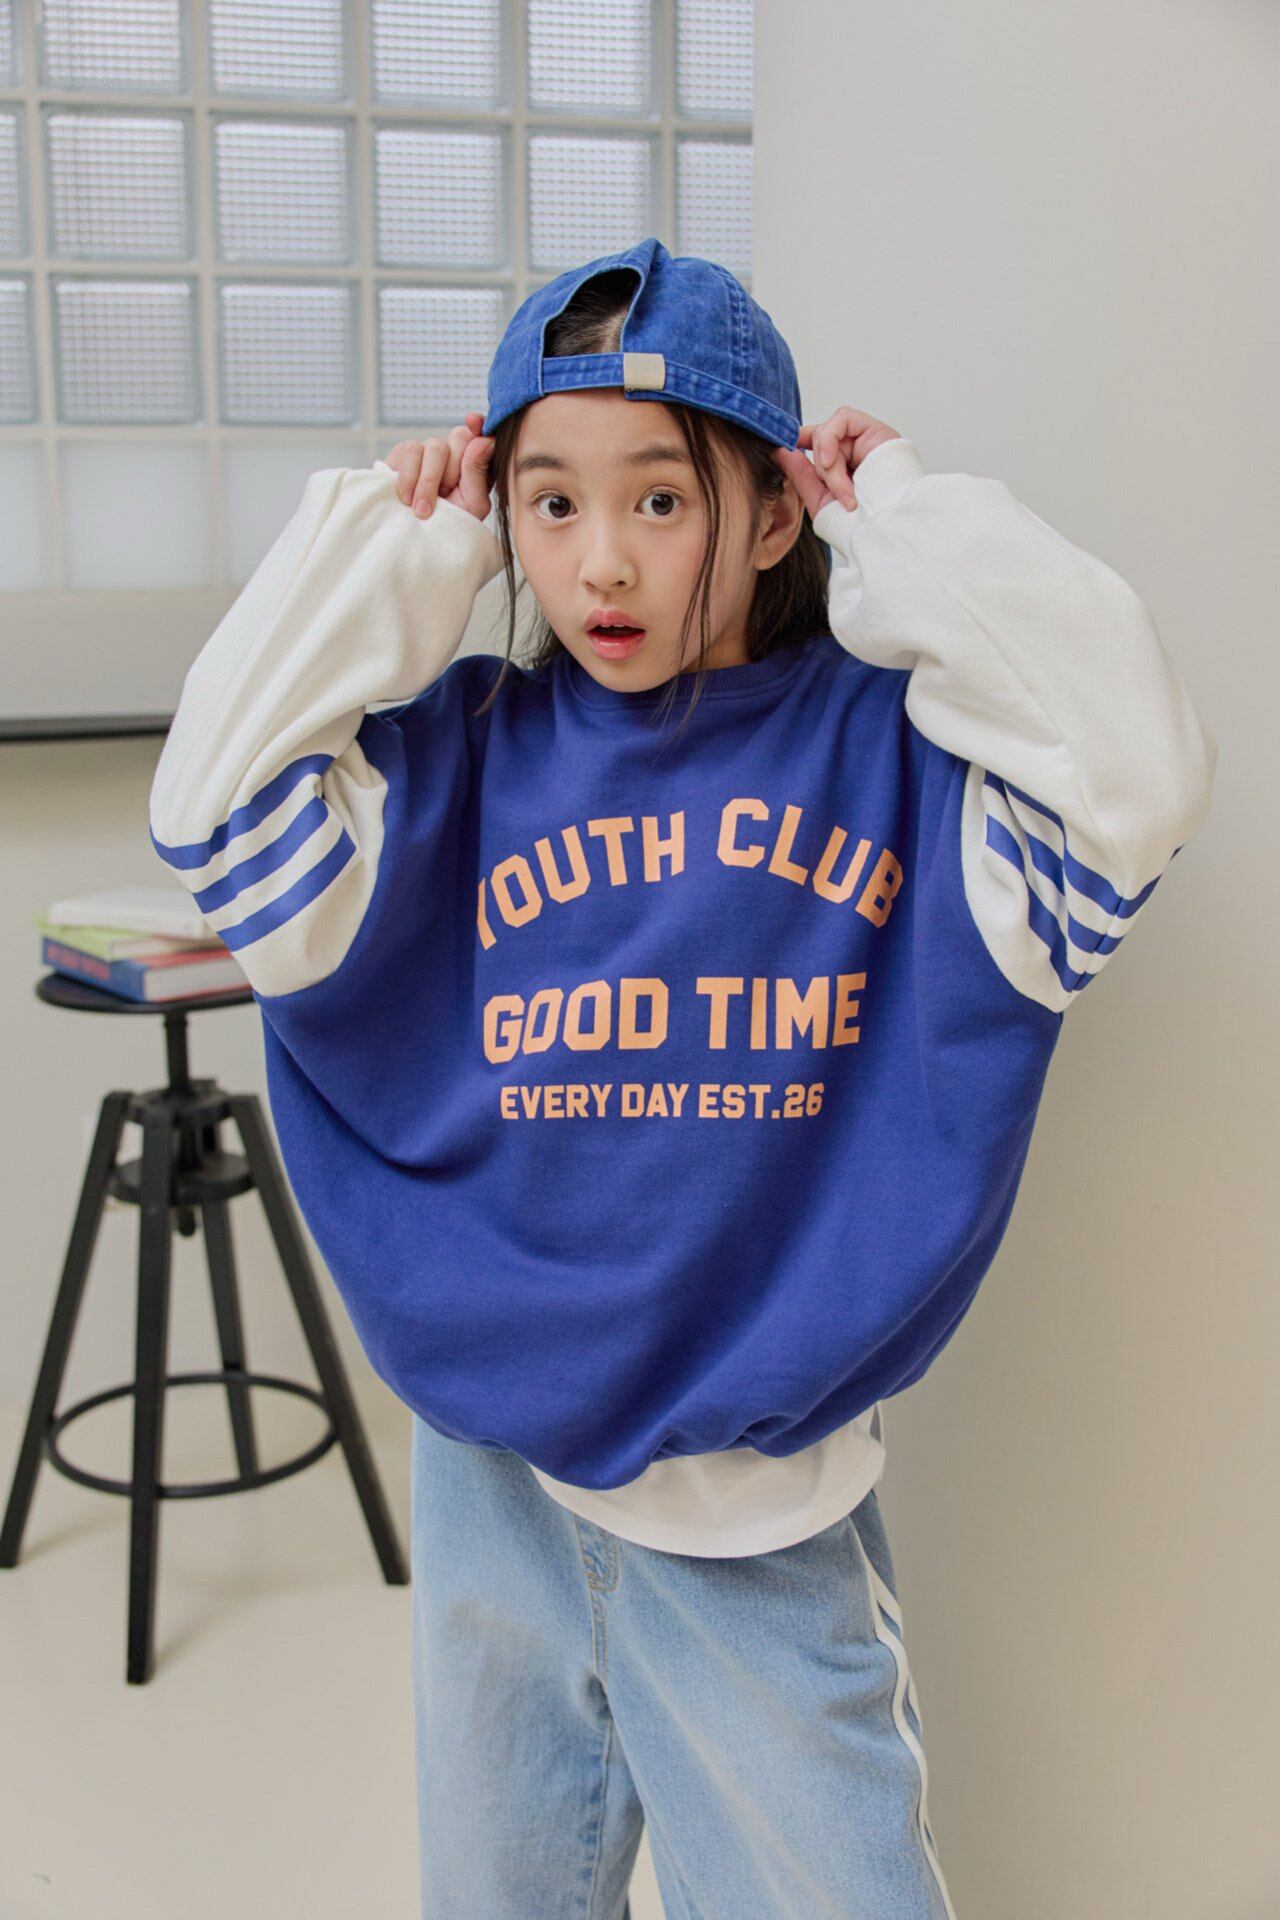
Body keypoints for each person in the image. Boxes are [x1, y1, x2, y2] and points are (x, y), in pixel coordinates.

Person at [148, 237, 1217, 1918]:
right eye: (550, 504)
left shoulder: (900, 769)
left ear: (777, 512)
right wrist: (392, 544)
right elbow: (215, 816)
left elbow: (1134, 779)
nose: (602, 562)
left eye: (661, 500)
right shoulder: (456, 765)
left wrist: (905, 519)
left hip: (749, 1534)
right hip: (491, 1481)